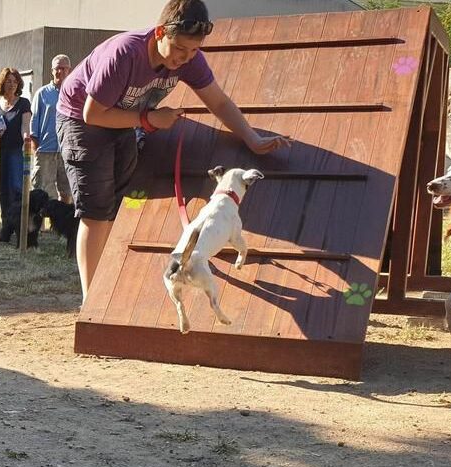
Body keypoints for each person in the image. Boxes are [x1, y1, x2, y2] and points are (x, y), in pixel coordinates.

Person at [57, 0, 289, 307]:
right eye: (180, 49)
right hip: (82, 119)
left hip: (123, 118)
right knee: (95, 209)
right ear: (159, 33)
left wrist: (251, 138)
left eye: (194, 50)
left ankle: (101, 288)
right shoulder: (125, 54)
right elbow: (92, 113)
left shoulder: (190, 59)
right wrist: (149, 119)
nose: (186, 58)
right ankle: (91, 303)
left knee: (113, 205)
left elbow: (218, 103)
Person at [0, 67, 31, 244]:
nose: (11, 84)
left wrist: (26, 137)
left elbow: (25, 126)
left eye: (14, 81)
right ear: (2, 83)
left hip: (15, 152)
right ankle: (5, 229)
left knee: (16, 189)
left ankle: (20, 228)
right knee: (2, 191)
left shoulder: (23, 103)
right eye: (8, 81)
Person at [28, 53, 72, 204]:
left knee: (67, 190)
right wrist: (36, 146)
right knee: (42, 191)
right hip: (46, 150)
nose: (60, 72)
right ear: (52, 71)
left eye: (63, 68)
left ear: (69, 70)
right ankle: (41, 226)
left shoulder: (74, 92)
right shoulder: (42, 94)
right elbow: (34, 121)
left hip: (67, 151)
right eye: (57, 68)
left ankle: (62, 225)